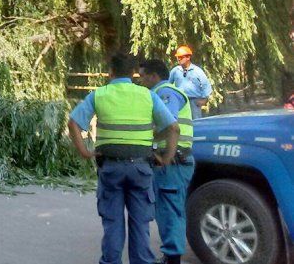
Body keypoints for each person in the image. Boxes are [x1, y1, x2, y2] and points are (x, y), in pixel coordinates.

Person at [68, 52, 180, 264]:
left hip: (110, 167)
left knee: (112, 222)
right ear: (133, 73)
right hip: (141, 168)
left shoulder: (99, 94)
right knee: (140, 223)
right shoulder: (147, 95)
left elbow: (73, 123)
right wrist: (166, 158)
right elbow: (173, 128)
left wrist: (85, 152)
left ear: (111, 72)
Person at [139, 59, 195, 264]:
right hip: (172, 161)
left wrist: (164, 155)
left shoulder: (165, 93)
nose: (141, 80)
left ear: (154, 76)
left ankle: (172, 258)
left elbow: (170, 126)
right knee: (167, 210)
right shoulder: (161, 93)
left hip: (173, 162)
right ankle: (170, 255)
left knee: (170, 211)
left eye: (143, 76)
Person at [169, 46, 212, 119]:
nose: (179, 59)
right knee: (181, 121)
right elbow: (167, 84)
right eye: (178, 57)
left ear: (188, 57)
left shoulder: (197, 71)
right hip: (180, 101)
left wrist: (204, 100)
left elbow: (206, 85)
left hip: (194, 101)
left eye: (181, 57)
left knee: (196, 122)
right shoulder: (175, 71)